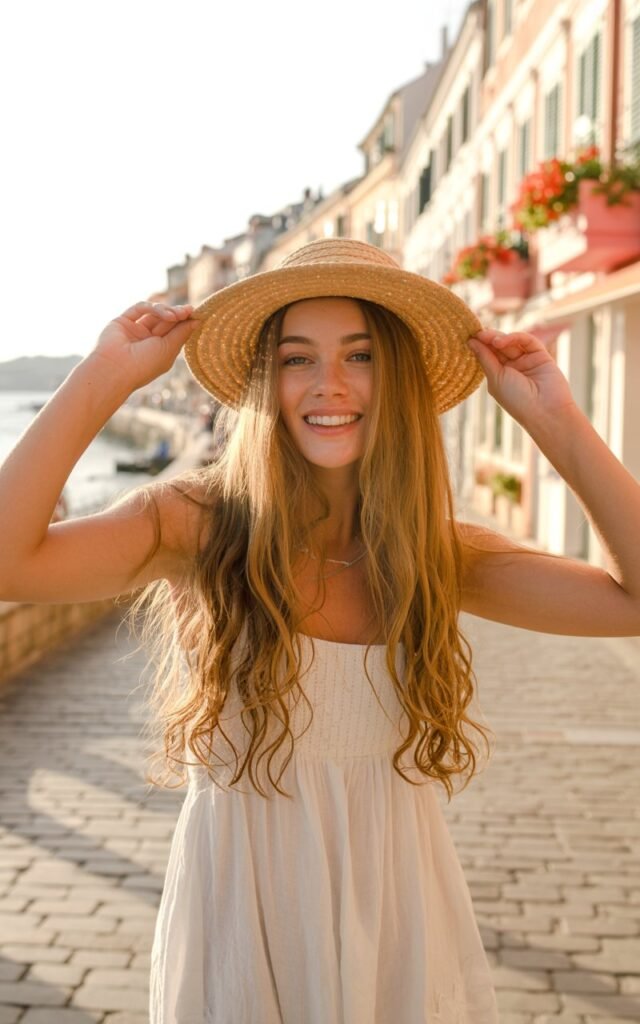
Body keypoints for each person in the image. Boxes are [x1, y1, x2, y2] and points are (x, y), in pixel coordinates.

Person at [1, 238, 639, 1024]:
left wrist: (556, 420)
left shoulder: (434, 554)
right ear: (267, 385)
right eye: (297, 359)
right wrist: (104, 378)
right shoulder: (196, 525)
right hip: (241, 926)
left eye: (360, 355)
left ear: (397, 377)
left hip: (399, 929)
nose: (328, 384)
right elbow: (9, 562)